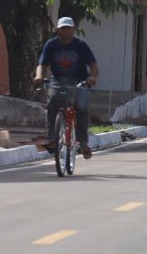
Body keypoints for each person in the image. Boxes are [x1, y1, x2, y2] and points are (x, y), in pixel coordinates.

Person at [33, 17, 98, 159]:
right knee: (52, 104)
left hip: (79, 81)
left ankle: (83, 141)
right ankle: (51, 137)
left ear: (74, 29)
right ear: (57, 29)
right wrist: (39, 76)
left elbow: (93, 65)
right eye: (62, 28)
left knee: (81, 108)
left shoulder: (80, 45)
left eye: (68, 28)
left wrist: (92, 78)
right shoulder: (51, 45)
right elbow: (42, 64)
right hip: (58, 80)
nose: (65, 31)